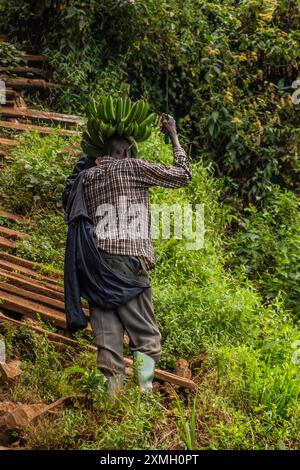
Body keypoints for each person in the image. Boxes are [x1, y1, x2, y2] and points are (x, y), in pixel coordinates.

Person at [64, 113, 192, 396]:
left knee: (108, 343)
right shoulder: (133, 167)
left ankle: (112, 404)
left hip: (95, 267)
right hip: (127, 263)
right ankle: (144, 396)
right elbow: (183, 176)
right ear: (127, 151)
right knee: (146, 337)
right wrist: (173, 134)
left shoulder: (87, 177)